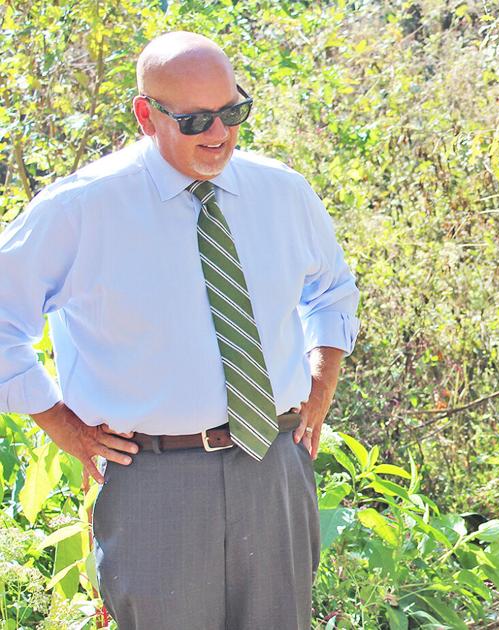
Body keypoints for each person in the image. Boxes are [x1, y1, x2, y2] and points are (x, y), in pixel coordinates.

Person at [0, 32, 359, 628]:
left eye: (232, 113)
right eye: (194, 120)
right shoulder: (82, 208)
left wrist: (320, 388)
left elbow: (332, 291)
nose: (217, 135)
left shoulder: (282, 192)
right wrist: (61, 424)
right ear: (147, 114)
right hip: (153, 482)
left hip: (275, 463)